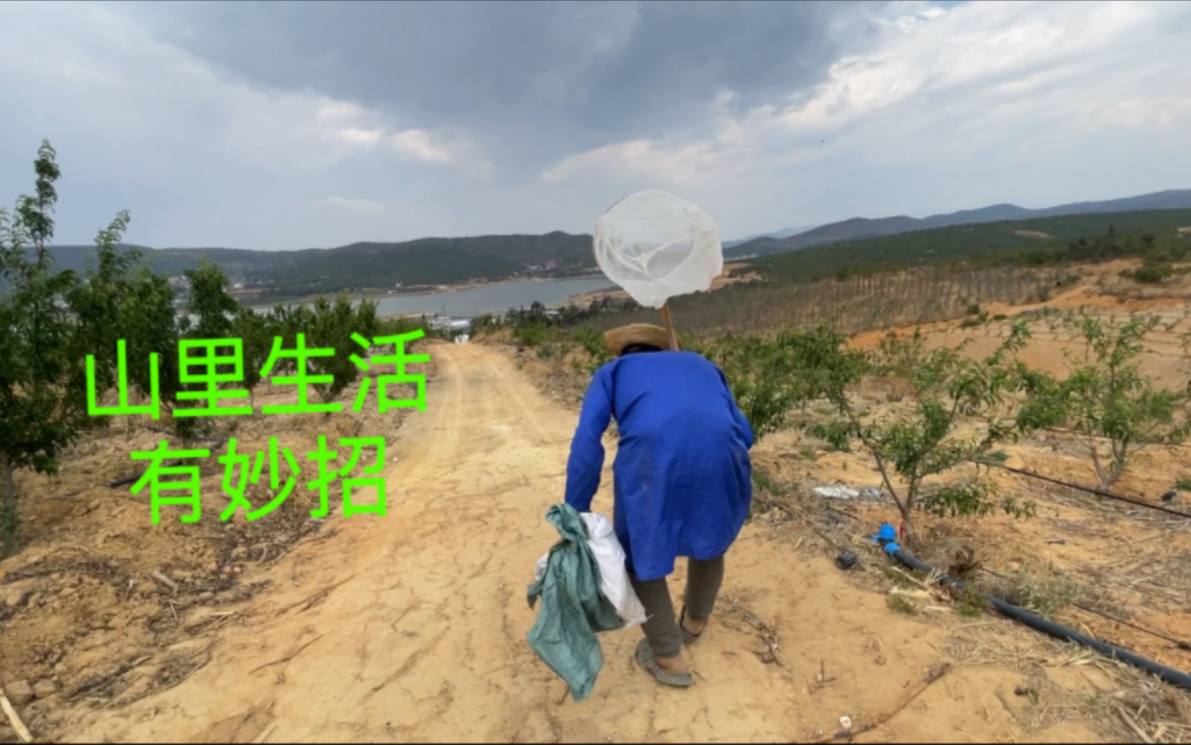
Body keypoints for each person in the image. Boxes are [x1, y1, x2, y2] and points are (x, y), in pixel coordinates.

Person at [563, 323, 754, 688]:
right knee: (709, 539)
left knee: (639, 555)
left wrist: (575, 509)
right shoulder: (703, 365)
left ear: (623, 352)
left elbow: (587, 442)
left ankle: (668, 657)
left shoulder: (612, 372)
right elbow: (745, 433)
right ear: (666, 348)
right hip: (722, 455)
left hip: (652, 459)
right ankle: (694, 625)